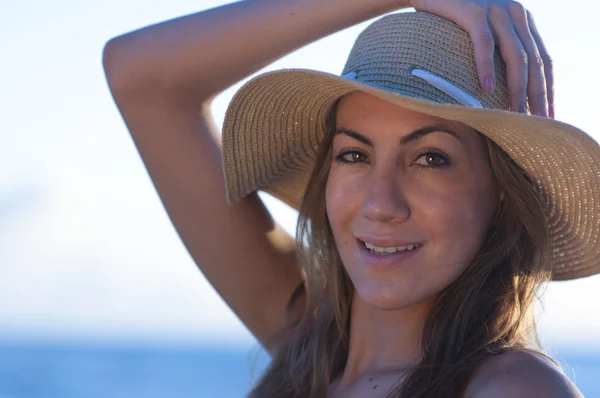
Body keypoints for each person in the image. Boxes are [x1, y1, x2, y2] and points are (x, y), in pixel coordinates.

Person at [102, 0, 596, 396]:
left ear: (503, 198)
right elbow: (137, 74)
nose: (379, 204)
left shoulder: (512, 389)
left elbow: (138, 75)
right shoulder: (308, 348)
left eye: (430, 159)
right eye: (355, 156)